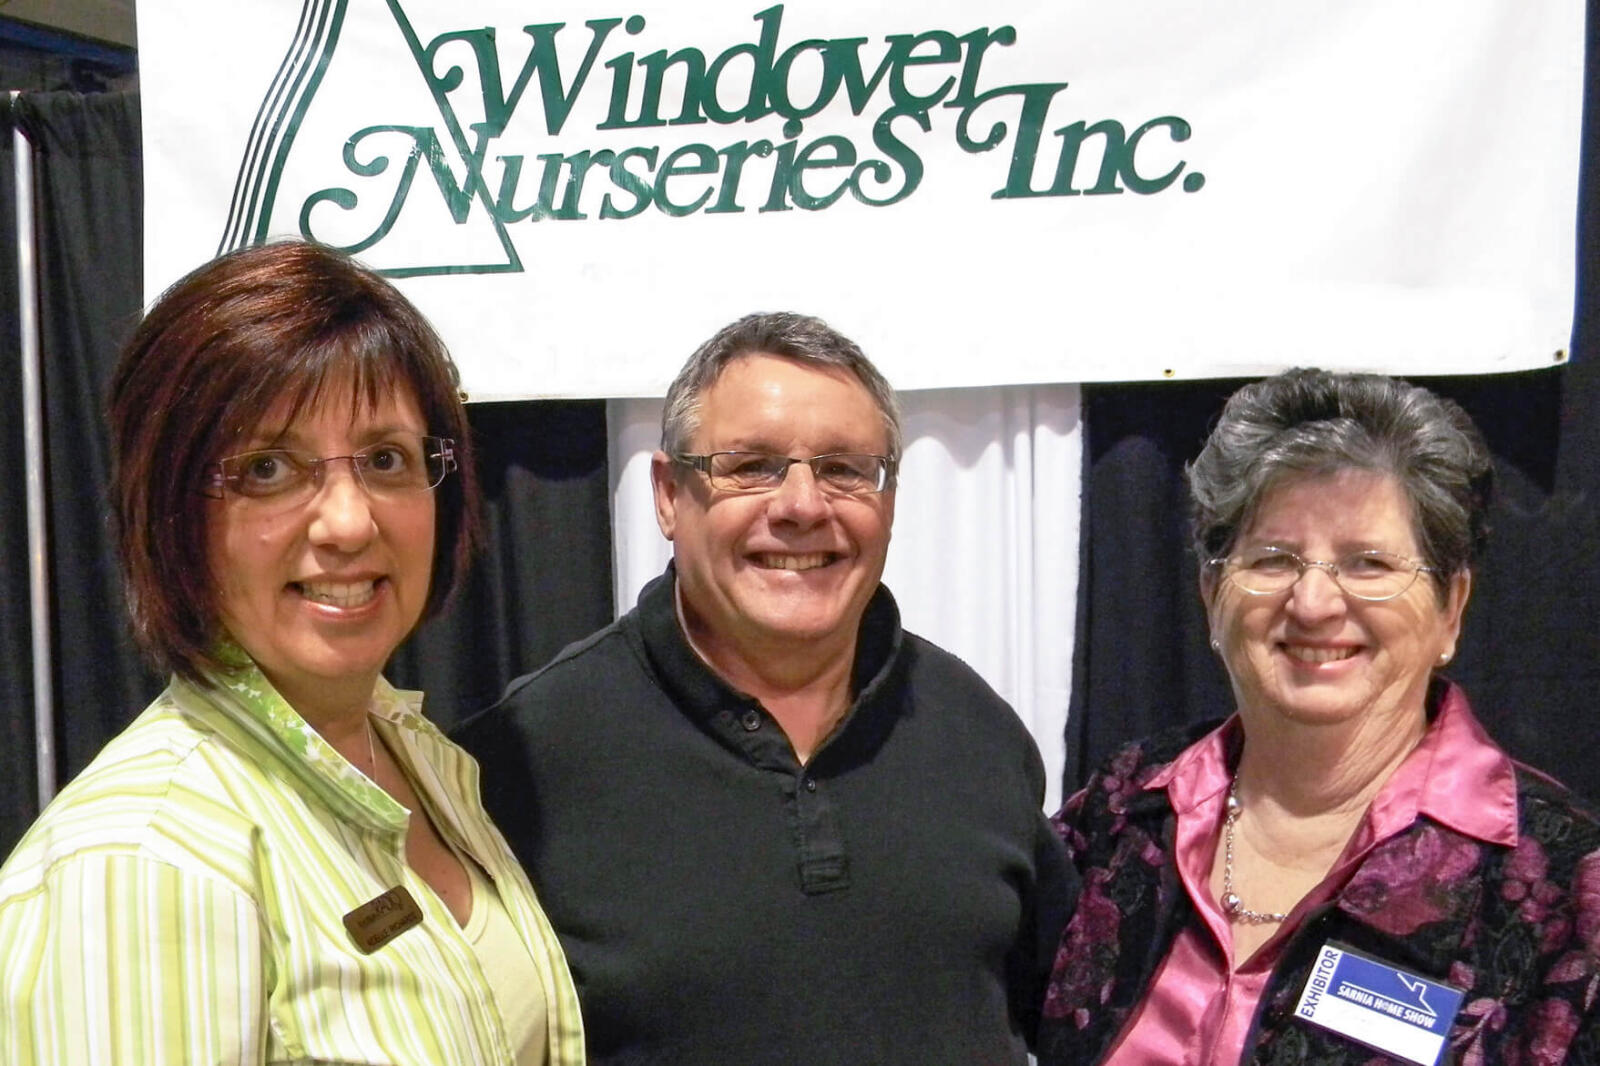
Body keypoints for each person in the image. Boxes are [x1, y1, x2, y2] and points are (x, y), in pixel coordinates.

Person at [0, 241, 584, 1065]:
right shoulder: (142, 857)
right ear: (168, 510)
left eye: (385, 459)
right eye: (269, 468)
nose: (348, 523)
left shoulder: (419, 761)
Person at [457, 311, 1073, 1064]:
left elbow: (1065, 1014)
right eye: (750, 466)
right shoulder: (521, 761)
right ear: (667, 494)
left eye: (846, 469)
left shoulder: (977, 731)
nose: (803, 506)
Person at [1038, 368, 1600, 1065]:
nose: (1313, 603)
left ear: (1451, 609)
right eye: (1273, 560)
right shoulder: (1125, 811)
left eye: (1367, 564)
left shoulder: (1570, 892)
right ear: (1213, 592)